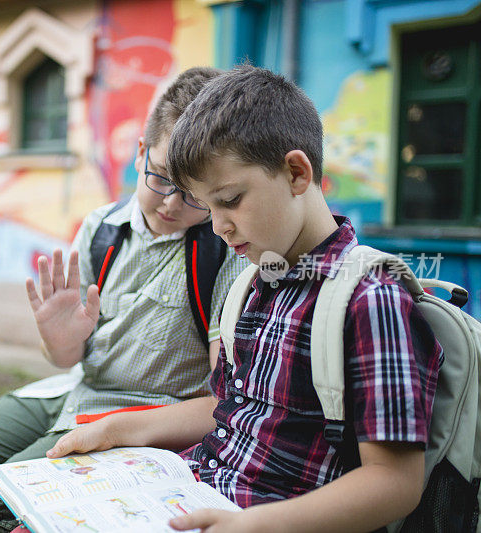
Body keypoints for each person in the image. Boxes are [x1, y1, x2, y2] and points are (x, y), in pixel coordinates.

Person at [46, 65, 443, 533]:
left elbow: (394, 482)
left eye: (230, 200)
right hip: (190, 492)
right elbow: (225, 412)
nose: (218, 227)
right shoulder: (252, 285)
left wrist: (259, 525)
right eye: (208, 207)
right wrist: (115, 429)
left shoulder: (368, 300)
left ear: (297, 172)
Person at [0, 66, 250, 533]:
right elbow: (66, 358)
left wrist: (115, 426)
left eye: (194, 192)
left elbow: (225, 403)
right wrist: (59, 340)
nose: (171, 203)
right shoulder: (101, 227)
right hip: (77, 393)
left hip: (146, 422)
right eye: (162, 178)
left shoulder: (222, 250)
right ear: (141, 153)